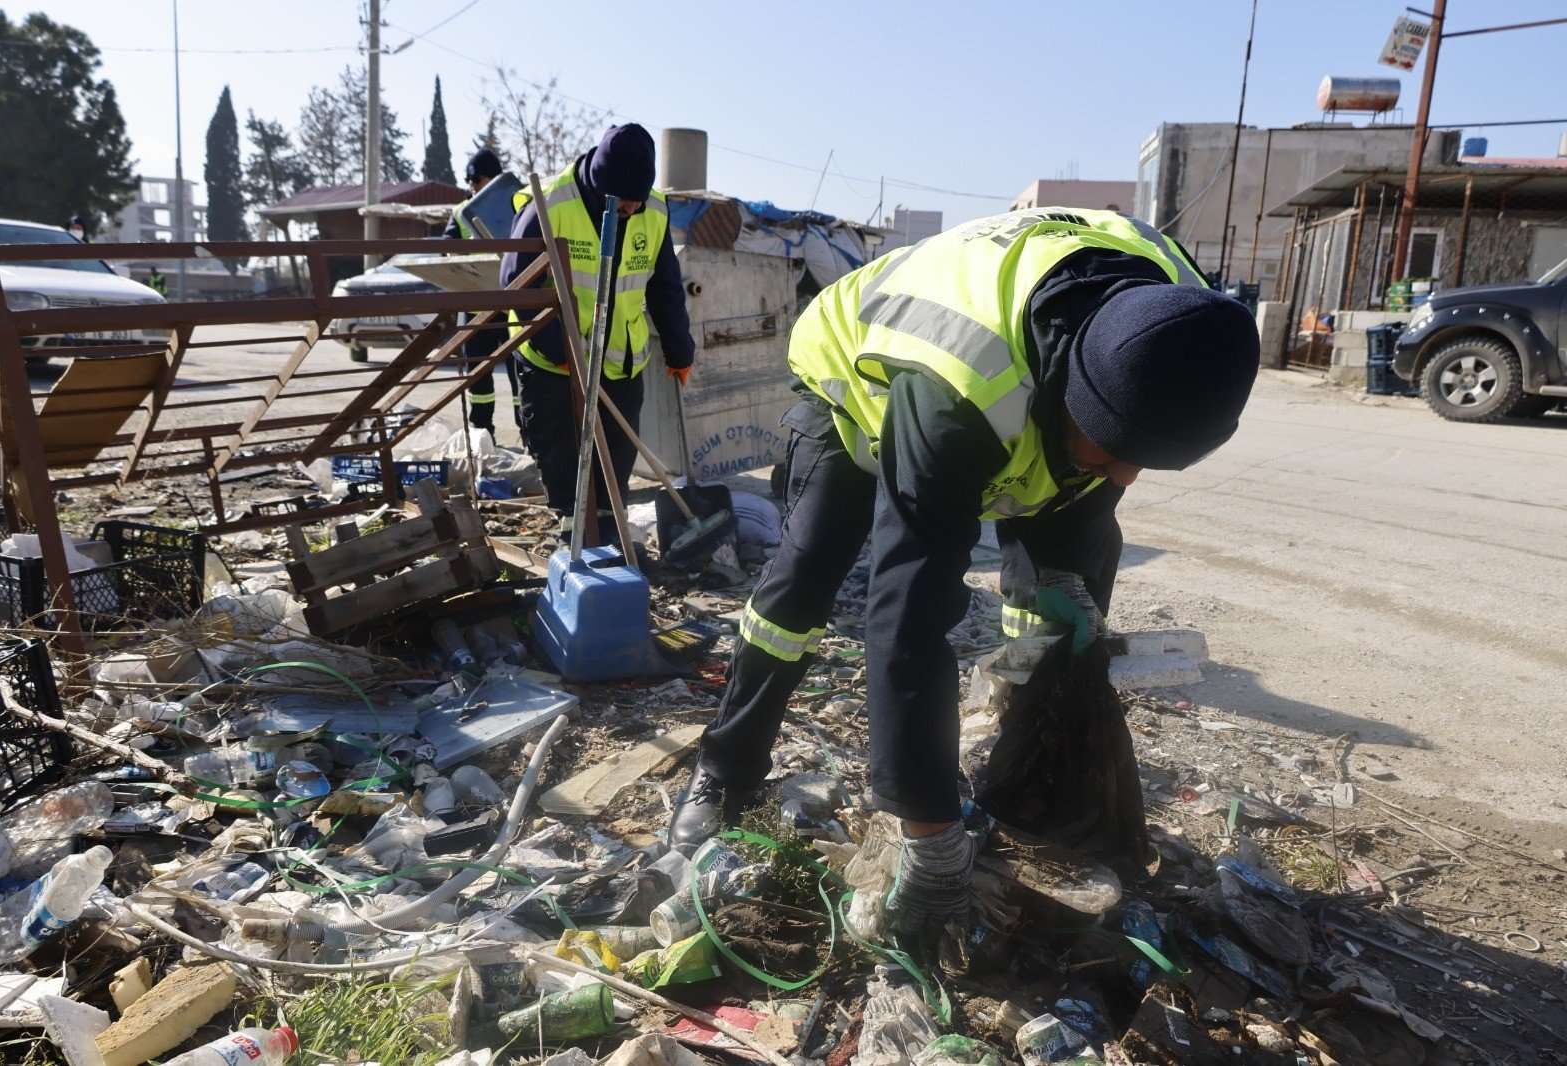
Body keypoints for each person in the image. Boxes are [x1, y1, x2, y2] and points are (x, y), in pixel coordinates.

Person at [667, 207, 1261, 939]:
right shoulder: (958, 389)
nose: (1126, 476)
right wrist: (930, 835)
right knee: (808, 571)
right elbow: (909, 611)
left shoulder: (1185, 327)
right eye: (1110, 449)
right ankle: (725, 769)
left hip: (1042, 379)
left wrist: (1066, 647)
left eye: (1147, 457)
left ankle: (1017, 783)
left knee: (1063, 604)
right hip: (857, 381)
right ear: (1075, 390)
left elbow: (1095, 484)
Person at [499, 123, 694, 549]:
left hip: (621, 360)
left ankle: (607, 537)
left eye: (637, 202)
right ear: (600, 186)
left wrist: (680, 349)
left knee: (617, 459)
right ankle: (574, 543)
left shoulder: (654, 211)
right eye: (623, 203)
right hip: (554, 361)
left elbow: (665, 286)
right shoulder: (548, 206)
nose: (631, 210)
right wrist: (561, 348)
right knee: (564, 458)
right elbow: (518, 287)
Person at [445, 147, 510, 436]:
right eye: (470, 181)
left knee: (521, 374)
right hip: (476, 304)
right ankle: (481, 430)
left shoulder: (517, 203)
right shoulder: (462, 212)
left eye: (477, 180)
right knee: (476, 372)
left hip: (511, 304)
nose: (472, 186)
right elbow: (447, 246)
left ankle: (529, 430)